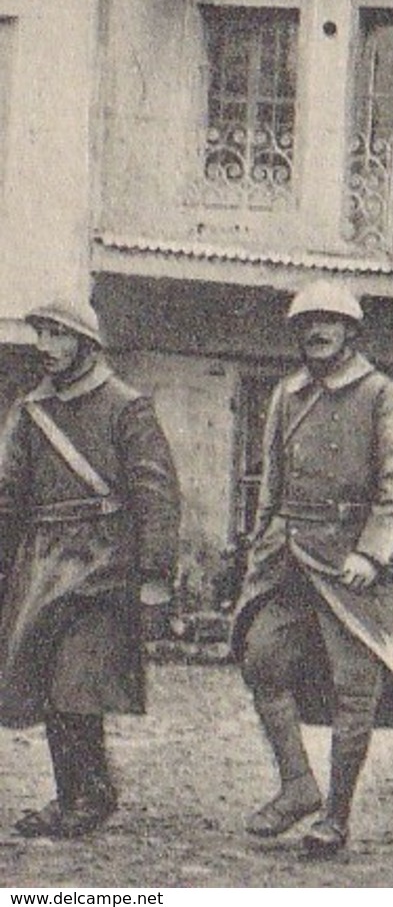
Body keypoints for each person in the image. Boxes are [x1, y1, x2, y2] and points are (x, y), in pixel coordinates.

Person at [233, 280, 393, 858]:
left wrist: (372, 552)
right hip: (291, 556)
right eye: (306, 322)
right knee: (261, 659)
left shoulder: (384, 396)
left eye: (330, 321)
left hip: (354, 565)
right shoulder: (286, 395)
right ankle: (297, 785)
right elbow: (272, 482)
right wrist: (262, 543)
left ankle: (336, 816)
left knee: (354, 692)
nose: (316, 331)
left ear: (351, 331)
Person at [0, 298, 181, 839]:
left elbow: (157, 494)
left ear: (86, 341)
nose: (46, 348)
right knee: (50, 678)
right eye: (41, 335)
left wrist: (154, 575)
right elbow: (8, 496)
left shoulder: (127, 407)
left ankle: (91, 792)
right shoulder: (30, 411)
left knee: (77, 680)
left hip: (106, 561)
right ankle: (73, 794)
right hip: (44, 565)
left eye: (58, 336)